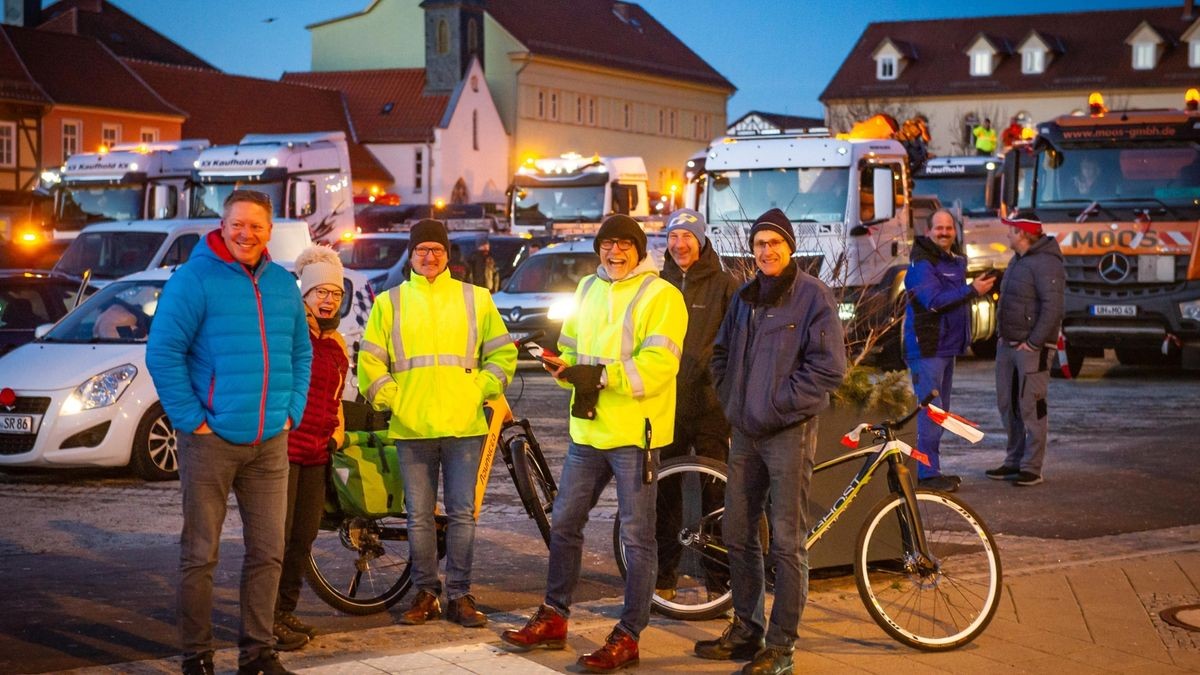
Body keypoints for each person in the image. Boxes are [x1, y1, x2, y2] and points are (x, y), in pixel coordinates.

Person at [502, 214, 687, 673]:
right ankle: (555, 616)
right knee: (563, 523)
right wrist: (560, 366)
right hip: (587, 429)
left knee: (636, 538)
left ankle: (628, 636)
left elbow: (660, 365)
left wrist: (601, 375)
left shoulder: (662, 295)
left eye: (625, 244)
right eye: (608, 244)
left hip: (633, 433)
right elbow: (571, 348)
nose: (615, 252)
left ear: (640, 249)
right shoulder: (587, 288)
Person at [146, 189, 312, 675]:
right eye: (238, 224)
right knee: (201, 554)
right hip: (210, 441)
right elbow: (163, 353)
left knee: (268, 552)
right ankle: (196, 656)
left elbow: (301, 354)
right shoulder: (194, 279)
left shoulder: (283, 284)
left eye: (256, 226)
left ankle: (257, 654)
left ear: (270, 231)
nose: (246, 233)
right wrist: (192, 419)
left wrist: (290, 412)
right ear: (222, 224)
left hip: (269, 444)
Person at [695, 208, 845, 675]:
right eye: (759, 244)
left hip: (788, 434)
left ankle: (781, 647)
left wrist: (777, 405)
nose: (766, 251)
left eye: (774, 243)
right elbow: (720, 354)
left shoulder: (813, 297)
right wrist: (734, 402)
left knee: (787, 543)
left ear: (790, 247)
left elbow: (828, 369)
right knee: (738, 533)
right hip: (745, 433)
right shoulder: (744, 298)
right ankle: (747, 629)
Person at [357, 218, 516, 628]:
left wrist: (478, 388)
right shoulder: (388, 303)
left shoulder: (476, 299)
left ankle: (461, 595)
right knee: (419, 517)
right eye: (423, 250)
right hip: (412, 427)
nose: (430, 257)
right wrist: (396, 399)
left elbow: (503, 355)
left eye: (437, 250)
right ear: (411, 255)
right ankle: (426, 593)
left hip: (463, 424)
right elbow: (370, 363)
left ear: (448, 256)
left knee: (463, 514)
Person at [655, 208, 737, 601]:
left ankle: (718, 585)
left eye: (687, 236)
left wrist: (723, 388)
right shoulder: (658, 284)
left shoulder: (724, 285)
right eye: (673, 237)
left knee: (715, 496)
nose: (679, 244)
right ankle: (663, 579)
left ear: (701, 241)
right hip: (667, 404)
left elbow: (736, 345)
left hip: (710, 409)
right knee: (664, 493)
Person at [272, 245, 350, 651]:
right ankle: (265, 621)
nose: (327, 300)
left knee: (302, 540)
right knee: (276, 542)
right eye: (320, 292)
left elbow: (337, 399)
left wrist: (337, 431)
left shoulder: (336, 345)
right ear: (304, 295)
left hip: (317, 454)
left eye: (334, 294)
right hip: (284, 454)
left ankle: (283, 612)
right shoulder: (290, 334)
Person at [903, 210, 996, 493]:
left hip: (946, 347)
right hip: (928, 348)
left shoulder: (950, 261)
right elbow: (933, 301)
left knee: (940, 413)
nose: (944, 232)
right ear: (929, 231)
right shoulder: (923, 263)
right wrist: (972, 290)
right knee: (930, 412)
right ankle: (925, 474)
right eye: (939, 228)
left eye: (949, 228)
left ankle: (932, 470)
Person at [986, 215, 1064, 487]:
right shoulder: (1018, 260)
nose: (1007, 235)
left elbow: (1052, 308)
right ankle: (1014, 461)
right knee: (1008, 404)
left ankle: (1031, 466)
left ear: (1022, 233)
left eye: (1011, 231)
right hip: (1008, 345)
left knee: (1032, 405)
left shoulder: (1046, 263)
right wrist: (1001, 335)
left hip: (1032, 348)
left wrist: (1033, 342)